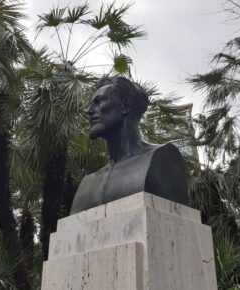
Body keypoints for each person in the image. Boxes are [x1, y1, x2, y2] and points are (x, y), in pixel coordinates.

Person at [70, 77, 188, 214]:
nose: (89, 110)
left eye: (99, 101)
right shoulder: (88, 183)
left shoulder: (164, 160)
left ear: (125, 106)